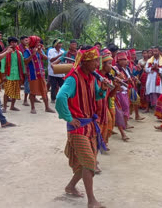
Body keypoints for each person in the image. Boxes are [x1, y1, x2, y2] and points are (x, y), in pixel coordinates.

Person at [55, 45, 107, 208]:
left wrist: (103, 89)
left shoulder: (91, 77)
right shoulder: (73, 78)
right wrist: (69, 118)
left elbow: (97, 95)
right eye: (93, 62)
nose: (96, 65)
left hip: (90, 126)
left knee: (84, 163)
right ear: (84, 62)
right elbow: (60, 98)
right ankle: (91, 201)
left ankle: (70, 186)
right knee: (90, 164)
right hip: (78, 128)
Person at [24, 35, 55, 114]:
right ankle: (32, 108)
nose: (39, 43)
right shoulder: (27, 51)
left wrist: (40, 52)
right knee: (33, 91)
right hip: (32, 74)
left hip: (41, 74)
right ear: (33, 42)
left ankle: (47, 107)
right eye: (37, 42)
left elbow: (45, 58)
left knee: (44, 91)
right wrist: (32, 54)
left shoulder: (40, 50)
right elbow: (25, 62)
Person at [96, 49, 120, 150]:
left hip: (104, 106)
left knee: (109, 122)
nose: (111, 66)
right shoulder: (96, 77)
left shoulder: (108, 77)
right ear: (102, 64)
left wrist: (116, 87)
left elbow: (110, 95)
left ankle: (103, 142)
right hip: (96, 107)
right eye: (109, 64)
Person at [0, 37, 26, 113]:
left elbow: (22, 63)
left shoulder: (19, 53)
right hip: (8, 75)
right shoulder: (6, 53)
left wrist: (23, 73)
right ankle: (4, 107)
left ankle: (12, 106)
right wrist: (3, 75)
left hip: (17, 75)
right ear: (9, 43)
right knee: (7, 92)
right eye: (12, 42)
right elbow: (3, 63)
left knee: (16, 91)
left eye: (15, 42)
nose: (14, 44)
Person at [48, 39, 65, 103]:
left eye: (61, 43)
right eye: (58, 43)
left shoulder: (63, 51)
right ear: (55, 44)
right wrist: (60, 56)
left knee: (63, 86)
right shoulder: (51, 51)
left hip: (61, 72)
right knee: (53, 86)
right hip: (53, 72)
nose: (60, 45)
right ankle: (53, 99)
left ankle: (62, 98)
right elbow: (51, 60)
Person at [19, 36, 32, 106]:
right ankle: (24, 99)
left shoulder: (28, 48)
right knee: (25, 82)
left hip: (28, 67)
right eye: (25, 40)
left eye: (28, 40)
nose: (27, 42)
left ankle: (31, 96)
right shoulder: (19, 48)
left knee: (30, 82)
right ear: (21, 40)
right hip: (22, 66)